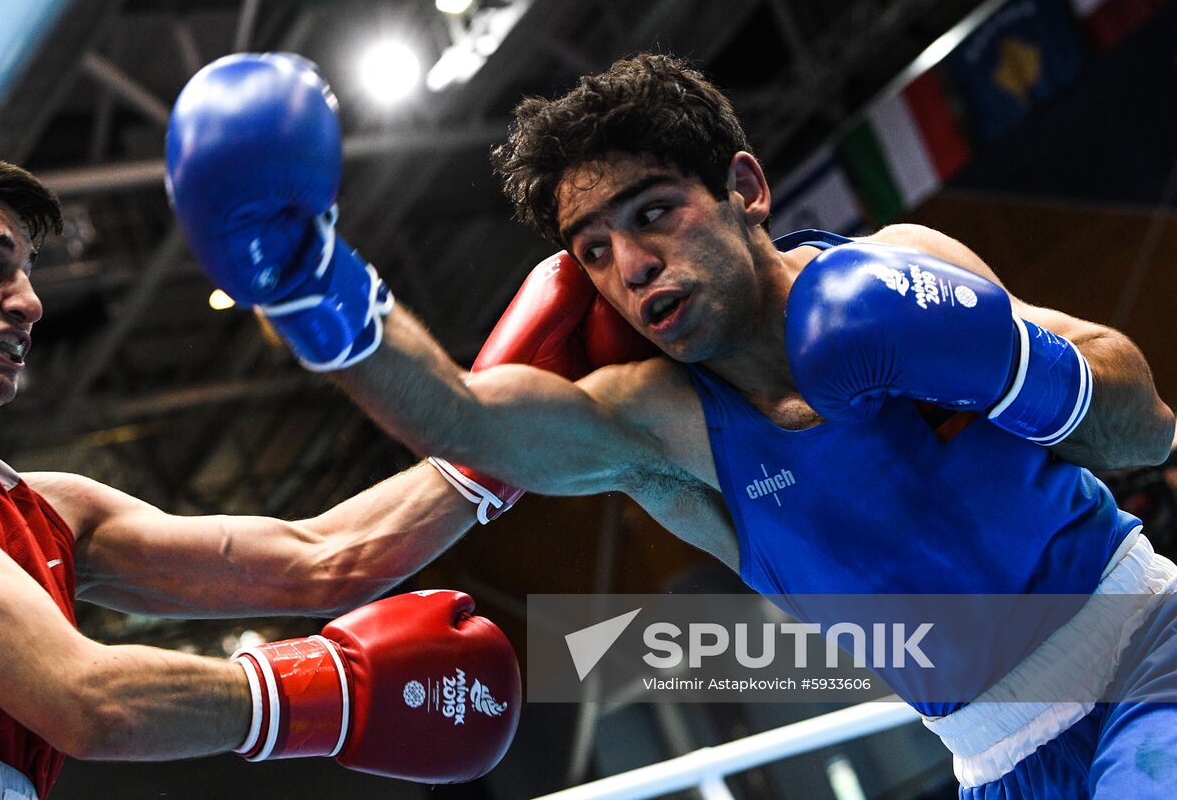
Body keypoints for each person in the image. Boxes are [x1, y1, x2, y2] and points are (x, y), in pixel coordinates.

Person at [167, 51, 1177, 798]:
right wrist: (312, 290)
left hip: (1146, 646)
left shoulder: (898, 264)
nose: (629, 265)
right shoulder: (656, 428)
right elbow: (462, 416)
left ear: (742, 188)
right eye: (593, 250)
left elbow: (1147, 433)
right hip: (993, 760)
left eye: (649, 214)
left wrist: (1004, 364)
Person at [0, 157, 521, 799]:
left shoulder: (50, 508)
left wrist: (508, 439)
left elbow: (322, 558)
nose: (31, 303)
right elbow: (87, 699)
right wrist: (333, 690)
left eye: (27, 275)